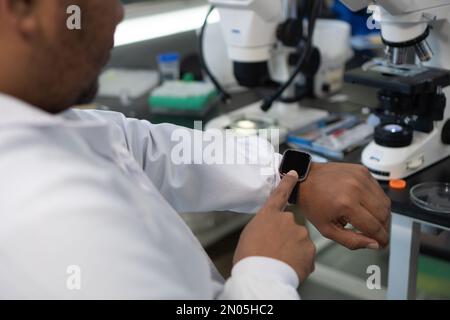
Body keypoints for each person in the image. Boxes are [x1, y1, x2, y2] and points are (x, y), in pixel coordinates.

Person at [0, 0, 391, 299]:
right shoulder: (44, 218)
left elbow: (147, 146)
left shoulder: (44, 119)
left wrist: (295, 176)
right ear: (19, 7)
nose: (118, 13)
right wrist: (266, 272)